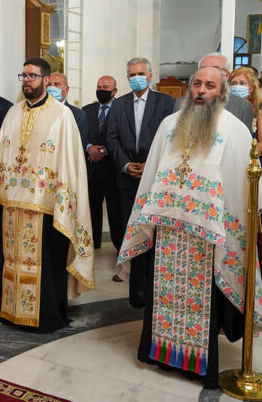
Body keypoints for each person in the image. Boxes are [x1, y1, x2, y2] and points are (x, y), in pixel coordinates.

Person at [116, 66, 262, 388]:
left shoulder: (235, 130)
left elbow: (245, 187)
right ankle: (160, 353)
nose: (201, 90)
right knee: (164, 297)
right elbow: (152, 173)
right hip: (168, 233)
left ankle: (198, 364)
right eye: (197, 84)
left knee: (202, 304)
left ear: (222, 93)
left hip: (207, 235)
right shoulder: (169, 125)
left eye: (209, 85)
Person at [0, 57, 95, 333]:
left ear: (46, 79)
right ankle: (10, 311)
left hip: (46, 206)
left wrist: (62, 202)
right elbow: (1, 156)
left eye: (32, 76)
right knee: (10, 259)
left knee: (46, 264)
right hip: (11, 205)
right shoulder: (12, 113)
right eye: (24, 75)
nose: (27, 80)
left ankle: (45, 316)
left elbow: (70, 163)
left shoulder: (62, 115)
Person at [105, 57, 174, 307]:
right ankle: (135, 289)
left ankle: (154, 285)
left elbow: (170, 139)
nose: (136, 78)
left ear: (150, 76)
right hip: (127, 178)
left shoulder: (166, 103)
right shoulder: (118, 104)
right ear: (127, 78)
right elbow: (111, 138)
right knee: (131, 230)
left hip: (155, 179)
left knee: (154, 232)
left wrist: (150, 165)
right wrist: (126, 165)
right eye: (132, 74)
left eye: (140, 73)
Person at [230, 67, 262, 287]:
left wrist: (239, 154)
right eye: (233, 82)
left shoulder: (261, 107)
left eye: (242, 83)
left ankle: (258, 268)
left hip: (253, 165)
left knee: (254, 215)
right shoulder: (226, 105)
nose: (237, 86)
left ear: (251, 86)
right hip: (230, 167)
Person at [83, 76, 123, 251]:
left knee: (115, 211)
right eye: (98, 87)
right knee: (91, 210)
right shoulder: (87, 110)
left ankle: (118, 246)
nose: (101, 90)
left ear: (114, 91)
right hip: (91, 169)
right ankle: (93, 244)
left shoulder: (122, 109)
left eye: (105, 87)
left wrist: (103, 151)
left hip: (112, 170)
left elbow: (123, 135)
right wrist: (89, 147)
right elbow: (81, 133)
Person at [175, 53, 253, 132]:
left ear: (227, 76)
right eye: (204, 68)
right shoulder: (180, 104)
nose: (209, 72)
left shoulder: (242, 107)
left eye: (216, 69)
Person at [47, 73, 88, 149]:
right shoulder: (39, 112)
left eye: (56, 84)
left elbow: (80, 145)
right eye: (49, 84)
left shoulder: (79, 115)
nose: (51, 88)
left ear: (66, 90)